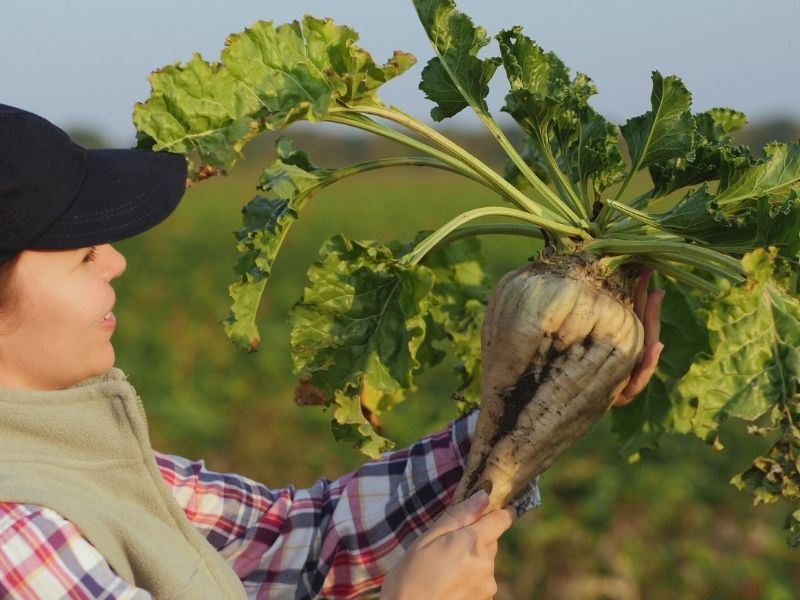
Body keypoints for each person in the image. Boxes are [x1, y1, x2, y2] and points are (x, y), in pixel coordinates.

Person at [0, 104, 663, 599]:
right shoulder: (13, 537)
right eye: (84, 254)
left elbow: (295, 538)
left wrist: (547, 400)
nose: (114, 262)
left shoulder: (80, 449)